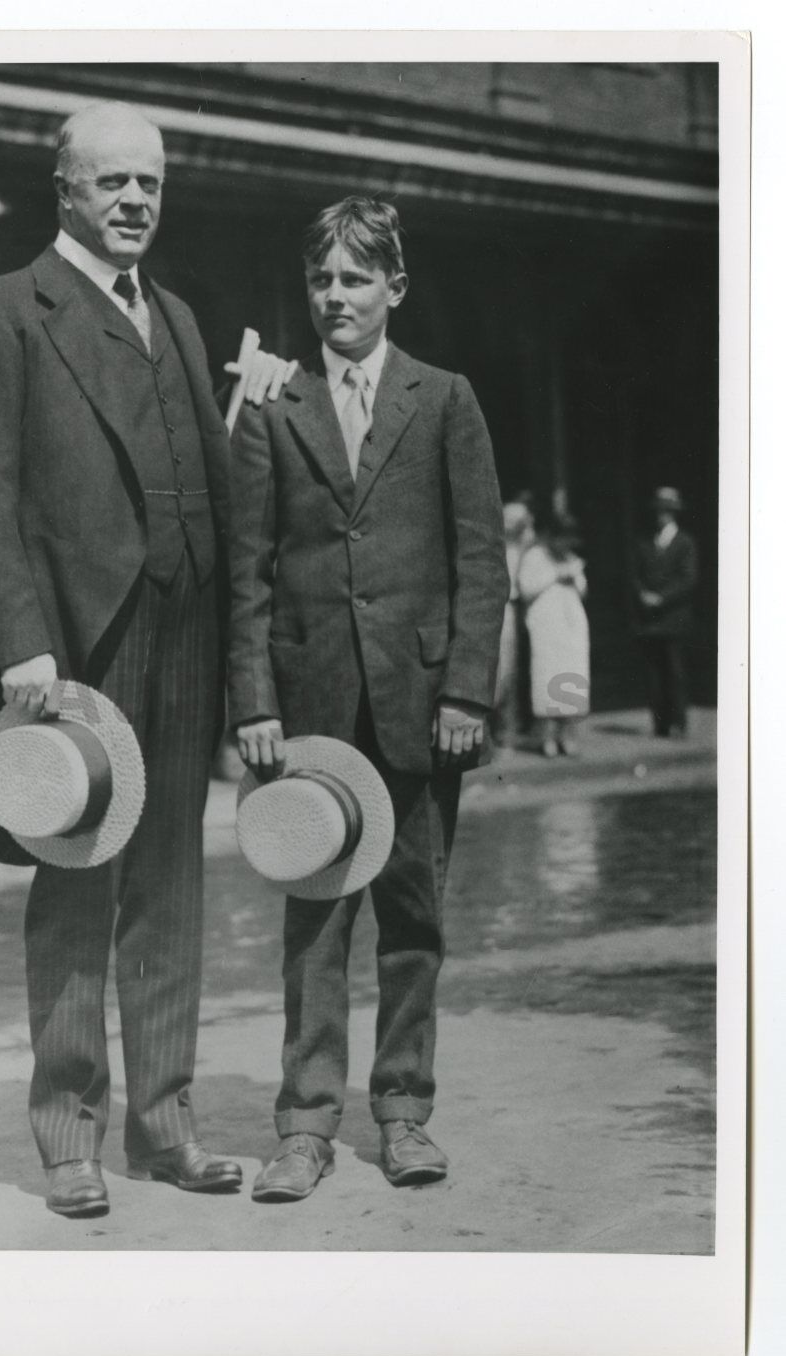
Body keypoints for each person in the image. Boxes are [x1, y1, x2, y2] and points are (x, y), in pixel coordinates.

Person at [0, 102, 293, 1220]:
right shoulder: (5, 312)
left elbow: (220, 500)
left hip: (183, 637)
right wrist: (19, 644)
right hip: (79, 651)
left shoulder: (176, 317)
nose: (134, 201)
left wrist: (245, 668)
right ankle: (69, 1133)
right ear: (66, 193)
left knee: (172, 887)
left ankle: (166, 1124)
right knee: (79, 886)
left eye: (149, 184)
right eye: (111, 184)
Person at [228, 196, 508, 1201]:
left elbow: (481, 556)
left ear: (395, 287)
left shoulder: (443, 400)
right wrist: (253, 702)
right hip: (307, 716)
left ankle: (402, 1115)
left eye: (355, 278)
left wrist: (467, 686)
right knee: (313, 918)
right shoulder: (276, 411)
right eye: (321, 280)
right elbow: (248, 573)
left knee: (412, 919)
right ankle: (302, 1125)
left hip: (420, 705)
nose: (336, 297)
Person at [517, 508, 590, 758]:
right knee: (548, 679)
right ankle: (546, 737)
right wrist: (555, 575)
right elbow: (526, 588)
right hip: (547, 629)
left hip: (571, 629)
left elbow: (582, 589)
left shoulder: (570, 557)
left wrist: (574, 576)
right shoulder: (535, 557)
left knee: (571, 679)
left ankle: (566, 736)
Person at [634, 486, 698, 738]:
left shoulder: (685, 543)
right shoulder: (645, 541)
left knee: (675, 671)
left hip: (674, 617)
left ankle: (678, 723)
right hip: (650, 619)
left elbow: (689, 579)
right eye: (659, 511)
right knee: (653, 672)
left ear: (674, 513)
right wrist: (642, 594)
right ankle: (659, 722)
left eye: (667, 511)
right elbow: (636, 574)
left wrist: (661, 598)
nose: (662, 515)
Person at [492, 495, 536, 747]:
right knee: (504, 669)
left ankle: (520, 724)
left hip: (526, 610)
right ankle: (502, 729)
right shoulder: (495, 545)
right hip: (505, 609)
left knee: (527, 669)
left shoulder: (527, 546)